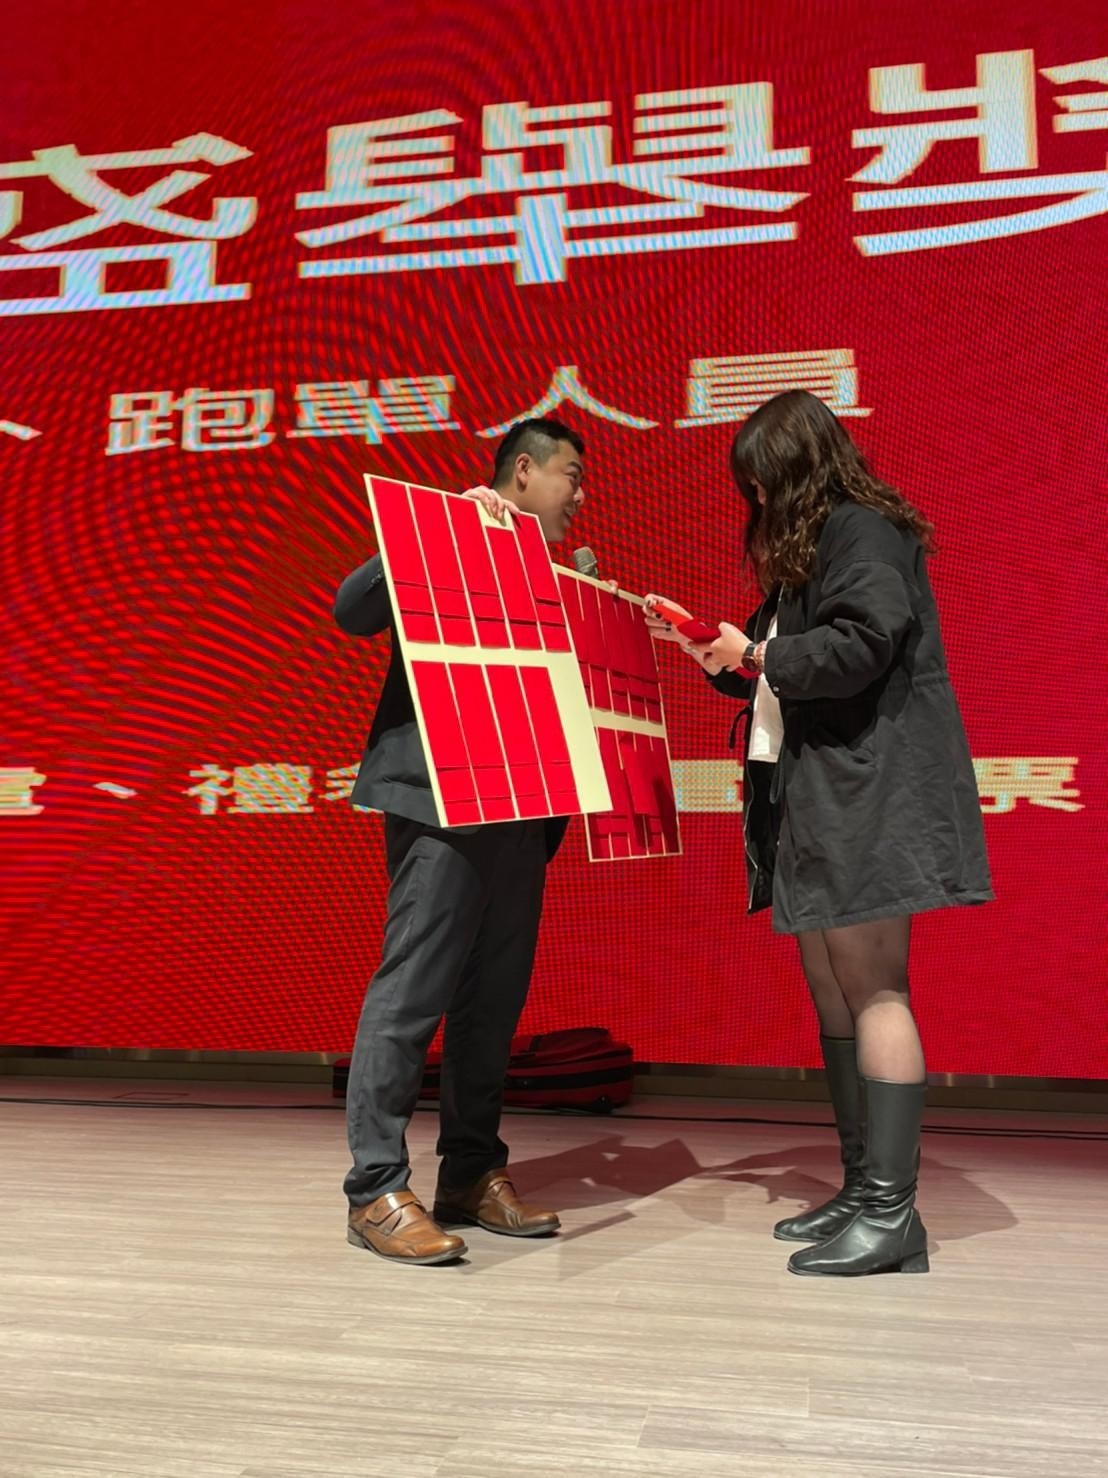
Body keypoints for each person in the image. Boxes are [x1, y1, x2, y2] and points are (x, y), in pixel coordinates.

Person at [646, 390, 992, 1277]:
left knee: (875, 989)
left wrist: (759, 652)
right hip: (828, 792)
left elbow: (863, 644)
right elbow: (787, 666)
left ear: (797, 471)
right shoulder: (816, 544)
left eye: (763, 485)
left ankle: (893, 1215)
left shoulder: (861, 530)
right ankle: (864, 1186)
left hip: (870, 790)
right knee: (835, 989)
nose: (757, 503)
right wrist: (717, 652)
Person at [333, 417, 586, 1264]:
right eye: (572, 477)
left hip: (525, 804)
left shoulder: (555, 575)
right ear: (525, 471)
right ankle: (375, 1188)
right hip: (441, 796)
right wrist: (431, 530)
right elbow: (352, 611)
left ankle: (471, 1173)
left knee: (494, 1001)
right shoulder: (447, 533)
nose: (579, 497)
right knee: (414, 988)